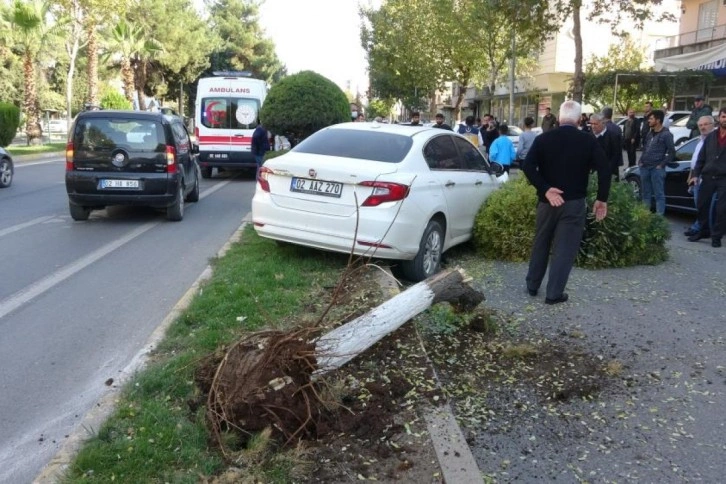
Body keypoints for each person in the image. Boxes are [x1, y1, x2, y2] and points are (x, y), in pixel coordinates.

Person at [522, 100, 610, 305]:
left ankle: (532, 285)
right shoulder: (588, 141)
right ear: (580, 120)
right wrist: (601, 199)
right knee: (565, 248)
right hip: (574, 203)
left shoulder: (544, 139)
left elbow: (527, 166)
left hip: (546, 202)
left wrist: (545, 189)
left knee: (541, 242)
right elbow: (605, 170)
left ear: (559, 118)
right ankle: (554, 293)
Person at [688, 107, 726, 248]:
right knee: (702, 205)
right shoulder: (711, 137)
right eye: (723, 116)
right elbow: (701, 158)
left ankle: (716, 236)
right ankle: (703, 231)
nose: (725, 119)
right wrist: (696, 175)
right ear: (719, 119)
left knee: (722, 209)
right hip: (708, 176)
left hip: (724, 179)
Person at [684, 115, 716, 237]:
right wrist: (692, 176)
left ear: (712, 125)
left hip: (709, 179)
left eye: (706, 124)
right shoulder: (700, 140)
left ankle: (700, 229)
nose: (703, 127)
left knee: (705, 206)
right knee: (700, 206)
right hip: (697, 178)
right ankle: (698, 227)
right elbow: (695, 160)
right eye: (701, 125)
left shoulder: (716, 141)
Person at [639, 110, 675, 216]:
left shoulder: (666, 134)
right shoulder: (650, 133)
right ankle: (644, 216)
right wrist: (640, 160)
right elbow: (645, 148)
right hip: (645, 167)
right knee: (646, 193)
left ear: (658, 120)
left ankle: (659, 218)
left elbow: (672, 152)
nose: (648, 121)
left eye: (651, 119)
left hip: (656, 169)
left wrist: (661, 165)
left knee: (659, 194)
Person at [590, 113, 619, 181]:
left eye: (595, 124)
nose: (593, 126)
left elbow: (616, 155)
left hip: (609, 173)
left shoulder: (613, 136)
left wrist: (607, 170)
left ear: (603, 123)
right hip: (592, 173)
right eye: (591, 124)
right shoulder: (589, 136)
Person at [601, 107, 624, 180]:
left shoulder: (603, 127)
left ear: (603, 115)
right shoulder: (617, 128)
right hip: (616, 160)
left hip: (606, 160)